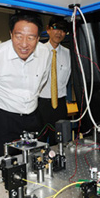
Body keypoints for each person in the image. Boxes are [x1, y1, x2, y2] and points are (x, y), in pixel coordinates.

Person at [0, 11, 51, 158]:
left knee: (37, 159)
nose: (24, 44)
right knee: (4, 162)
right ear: (11, 34)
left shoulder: (45, 53)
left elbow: (42, 81)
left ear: (38, 38)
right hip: (4, 119)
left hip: (33, 116)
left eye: (31, 38)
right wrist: (3, 108)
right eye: (19, 36)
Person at [37, 16, 71, 145]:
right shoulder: (37, 52)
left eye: (63, 30)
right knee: (39, 143)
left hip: (60, 106)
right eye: (56, 28)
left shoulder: (69, 54)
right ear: (48, 29)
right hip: (40, 105)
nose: (59, 33)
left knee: (60, 142)